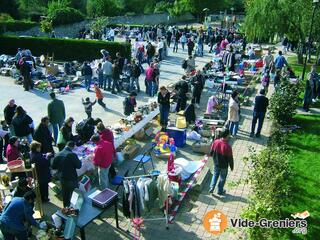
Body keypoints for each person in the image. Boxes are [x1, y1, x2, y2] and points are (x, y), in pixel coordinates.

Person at [52, 141, 82, 207]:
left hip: (62, 177)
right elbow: (79, 166)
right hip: (71, 178)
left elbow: (53, 166)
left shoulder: (58, 154)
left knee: (65, 194)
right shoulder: (72, 155)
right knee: (74, 195)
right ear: (72, 147)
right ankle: (74, 209)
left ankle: (66, 208)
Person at [209, 128, 234, 195]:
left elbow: (211, 151)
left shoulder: (216, 141)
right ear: (227, 136)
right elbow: (230, 158)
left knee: (215, 175)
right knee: (222, 178)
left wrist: (211, 155)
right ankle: (220, 190)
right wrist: (231, 166)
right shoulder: (228, 147)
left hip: (216, 163)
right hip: (224, 166)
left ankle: (211, 187)